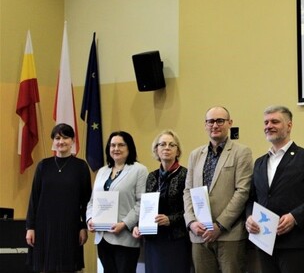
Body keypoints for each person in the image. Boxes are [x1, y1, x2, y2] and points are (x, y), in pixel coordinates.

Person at [245, 106, 304, 273]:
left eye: (275, 121)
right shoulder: (259, 162)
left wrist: (295, 216)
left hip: (294, 242)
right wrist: (249, 217)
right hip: (264, 241)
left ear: (289, 125)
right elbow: (252, 198)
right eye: (266, 122)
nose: (269, 126)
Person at [183, 106, 253, 273]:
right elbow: (187, 191)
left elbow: (242, 191)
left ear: (229, 123)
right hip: (199, 234)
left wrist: (220, 225)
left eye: (220, 121)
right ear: (205, 125)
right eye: (210, 121)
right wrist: (191, 222)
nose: (215, 125)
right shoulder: (195, 155)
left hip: (229, 234)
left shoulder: (241, 152)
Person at [25, 123, 92, 273]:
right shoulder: (43, 166)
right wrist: (30, 227)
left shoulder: (81, 167)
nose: (61, 141)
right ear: (53, 142)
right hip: (44, 227)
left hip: (70, 226)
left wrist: (83, 227)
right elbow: (34, 198)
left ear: (73, 141)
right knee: (45, 266)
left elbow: (86, 200)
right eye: (57, 138)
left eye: (65, 137)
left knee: (67, 267)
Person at [86, 131, 148, 273]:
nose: (116, 149)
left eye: (121, 145)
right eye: (112, 145)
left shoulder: (139, 170)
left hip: (125, 237)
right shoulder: (102, 171)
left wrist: (124, 224)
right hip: (102, 237)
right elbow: (92, 201)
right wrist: (90, 219)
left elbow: (142, 202)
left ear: (129, 147)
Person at [132, 130, 191, 273]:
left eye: (172, 145)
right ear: (156, 150)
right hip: (153, 240)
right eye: (162, 144)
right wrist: (138, 225)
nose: (167, 148)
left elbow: (191, 208)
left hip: (176, 239)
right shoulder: (152, 176)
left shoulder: (186, 175)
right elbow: (145, 206)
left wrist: (170, 219)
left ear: (177, 151)